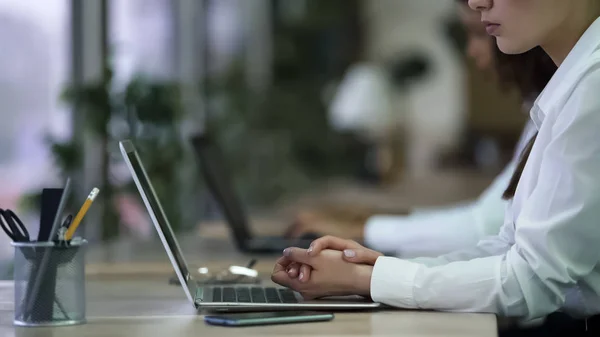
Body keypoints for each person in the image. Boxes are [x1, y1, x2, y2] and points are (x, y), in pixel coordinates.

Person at [273, 0, 600, 335]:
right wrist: (378, 268)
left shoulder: (593, 89)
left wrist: (369, 276)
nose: (477, 2)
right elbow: (508, 246)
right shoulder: (576, 87)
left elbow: (532, 278)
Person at [285, 0, 555, 258]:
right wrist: (368, 221)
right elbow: (490, 218)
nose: (471, 51)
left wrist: (365, 236)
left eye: (480, 33)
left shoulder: (566, 103)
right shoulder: (541, 108)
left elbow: (487, 228)